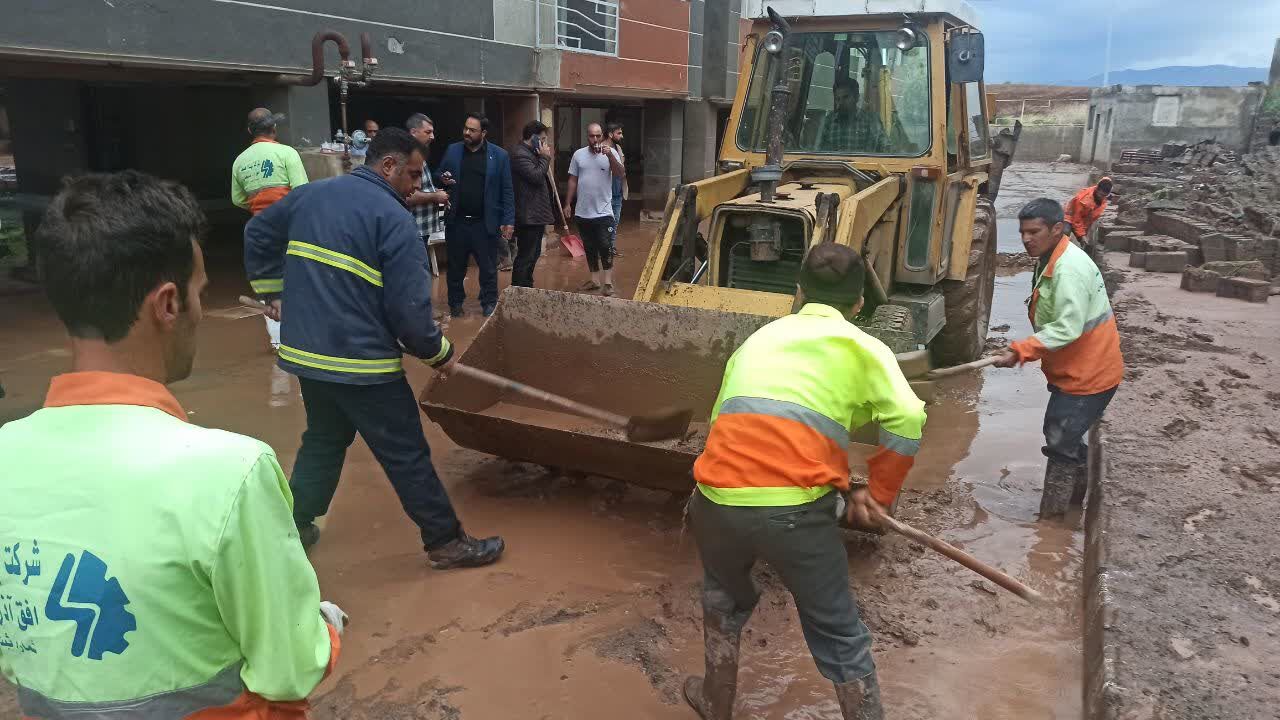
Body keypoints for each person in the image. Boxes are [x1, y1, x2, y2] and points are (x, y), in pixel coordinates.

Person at [0, 171, 345, 716]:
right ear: (167, 304)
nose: (201, 312)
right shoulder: (230, 471)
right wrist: (323, 626)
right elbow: (290, 667)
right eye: (199, 293)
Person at [683, 243, 926, 720]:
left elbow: (724, 423)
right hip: (794, 512)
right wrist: (877, 496)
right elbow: (909, 419)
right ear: (858, 304)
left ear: (796, 292)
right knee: (838, 630)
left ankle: (715, 700)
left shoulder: (758, 340)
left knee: (722, 596)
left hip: (714, 498)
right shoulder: (865, 347)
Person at [244, 128, 505, 569]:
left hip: (308, 356)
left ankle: (294, 523)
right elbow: (409, 313)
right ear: (388, 166)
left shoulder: (313, 195)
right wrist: (440, 354)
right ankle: (444, 541)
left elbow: (257, 233)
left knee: (324, 439)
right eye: (414, 175)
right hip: (361, 365)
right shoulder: (394, 219)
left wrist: (274, 292)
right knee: (405, 451)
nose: (417, 187)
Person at [994, 198, 1124, 518]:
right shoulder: (1050, 256)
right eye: (1022, 232)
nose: (1026, 239)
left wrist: (1022, 349)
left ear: (1056, 229)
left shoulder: (1069, 270)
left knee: (1060, 438)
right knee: (1066, 435)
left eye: (1034, 232)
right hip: (1075, 368)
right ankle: (1076, 503)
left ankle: (1051, 523)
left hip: (1090, 374)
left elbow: (1067, 327)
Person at [231, 107, 309, 352]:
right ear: (274, 129)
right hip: (290, 228)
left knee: (269, 286)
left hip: (259, 230)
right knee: (297, 281)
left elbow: (236, 199)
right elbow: (301, 192)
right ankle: (302, 338)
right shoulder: (286, 153)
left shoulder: (240, 161)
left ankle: (278, 343)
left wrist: (259, 207)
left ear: (249, 132)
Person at [437, 112, 515, 317]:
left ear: (484, 133)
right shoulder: (453, 151)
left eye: (472, 130)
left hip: (485, 223)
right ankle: (455, 304)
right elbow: (439, 174)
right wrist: (443, 179)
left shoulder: (499, 156)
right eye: (465, 128)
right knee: (455, 268)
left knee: (489, 268)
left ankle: (489, 302)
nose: (466, 133)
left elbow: (507, 190)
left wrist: (508, 220)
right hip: (457, 222)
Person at [565, 122, 624, 296]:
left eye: (598, 135)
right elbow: (572, 180)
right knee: (589, 247)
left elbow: (620, 173)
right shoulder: (578, 155)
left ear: (603, 136)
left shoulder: (611, 152)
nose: (595, 139)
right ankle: (594, 280)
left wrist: (610, 157)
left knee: (605, 245)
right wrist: (568, 203)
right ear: (588, 136)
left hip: (604, 211)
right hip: (583, 211)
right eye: (592, 136)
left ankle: (608, 282)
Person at [510, 120, 567, 288]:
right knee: (526, 255)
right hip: (527, 215)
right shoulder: (519, 154)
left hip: (536, 214)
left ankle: (527, 285)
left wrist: (542, 156)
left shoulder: (532, 153)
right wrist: (544, 157)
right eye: (542, 139)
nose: (544, 143)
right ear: (533, 138)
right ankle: (519, 289)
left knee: (534, 254)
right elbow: (535, 176)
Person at [406, 113, 449, 254]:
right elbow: (407, 196)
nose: (432, 137)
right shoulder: (406, 155)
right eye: (428, 132)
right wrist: (435, 196)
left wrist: (437, 191)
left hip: (422, 229)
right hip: (413, 229)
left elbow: (421, 187)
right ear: (413, 132)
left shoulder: (419, 154)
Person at [819, 81, 889, 153]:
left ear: (856, 97)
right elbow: (820, 151)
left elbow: (885, 148)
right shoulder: (829, 121)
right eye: (838, 99)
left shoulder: (870, 120)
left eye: (845, 97)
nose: (841, 102)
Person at [1063, 177, 1113, 246]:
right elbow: (1077, 219)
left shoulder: (1103, 194)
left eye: (1105, 195)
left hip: (1084, 219)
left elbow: (1107, 180)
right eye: (1101, 195)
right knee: (1065, 233)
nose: (1102, 197)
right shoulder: (1084, 200)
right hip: (1069, 216)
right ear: (1097, 189)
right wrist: (1082, 235)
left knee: (1087, 243)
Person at [603, 122, 627, 258]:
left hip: (617, 191)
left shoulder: (617, 148)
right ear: (611, 134)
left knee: (614, 221)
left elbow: (621, 168)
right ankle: (603, 248)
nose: (622, 136)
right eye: (619, 133)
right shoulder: (600, 149)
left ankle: (610, 247)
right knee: (605, 221)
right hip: (605, 193)